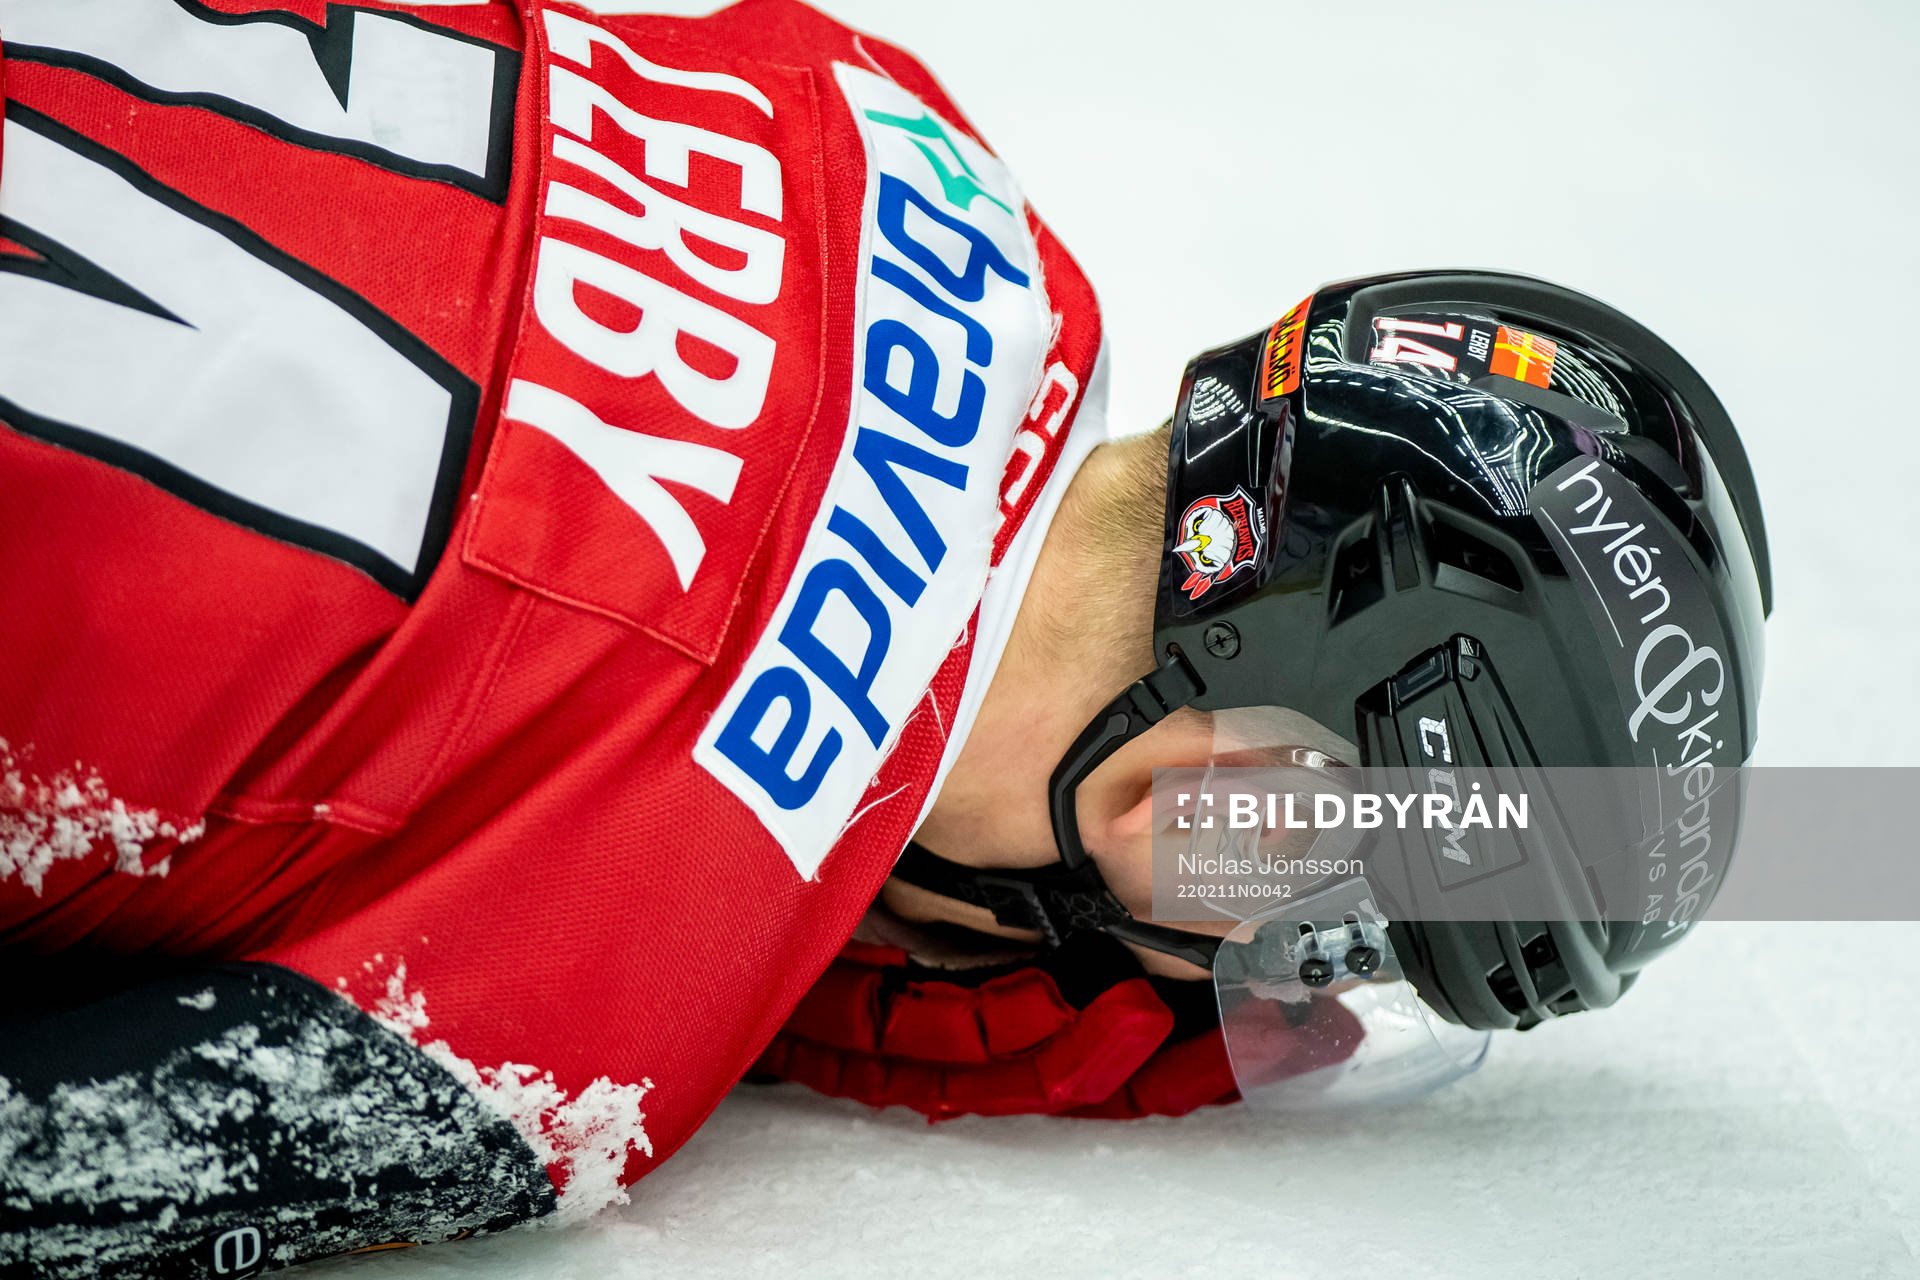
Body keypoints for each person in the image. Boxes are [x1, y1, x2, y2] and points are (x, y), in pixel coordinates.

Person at [0, 1, 1770, 1276]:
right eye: (1324, 924)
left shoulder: (866, 116)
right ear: (1221, 799)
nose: (1283, 976)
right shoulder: (558, 1037)